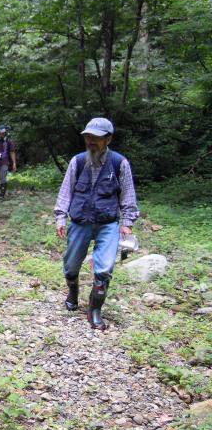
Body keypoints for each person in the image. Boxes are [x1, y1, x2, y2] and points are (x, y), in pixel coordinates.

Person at [54, 117, 139, 330]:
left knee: (105, 268)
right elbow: (66, 191)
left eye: (97, 138)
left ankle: (94, 312)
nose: (91, 141)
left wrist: (127, 223)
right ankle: (73, 292)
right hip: (80, 220)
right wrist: (60, 217)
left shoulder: (120, 163)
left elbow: (128, 196)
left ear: (108, 139)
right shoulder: (78, 161)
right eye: (88, 137)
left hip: (107, 223)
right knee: (71, 264)